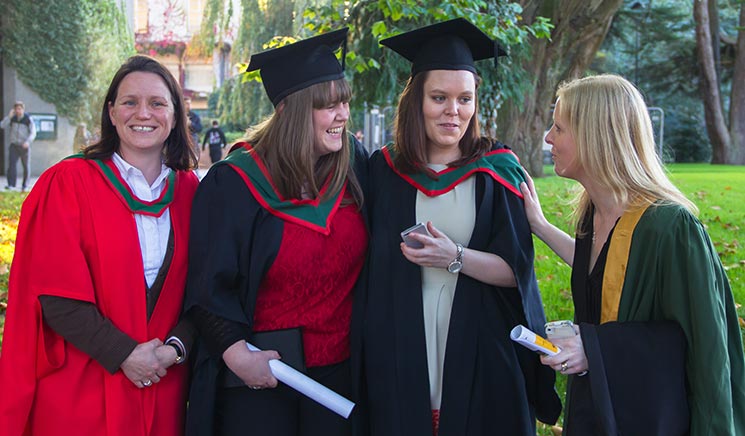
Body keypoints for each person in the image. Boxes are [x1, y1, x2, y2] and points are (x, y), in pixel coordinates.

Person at [355, 18, 560, 436]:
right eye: (439, 97)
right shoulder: (384, 169)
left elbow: (516, 272)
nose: (454, 111)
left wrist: (456, 258)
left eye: (465, 99)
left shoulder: (497, 170)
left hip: (478, 342)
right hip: (398, 343)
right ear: (416, 101)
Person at [520, 74, 745, 435]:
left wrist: (594, 349)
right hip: (598, 405)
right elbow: (601, 271)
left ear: (595, 136)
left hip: (651, 418)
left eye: (559, 128)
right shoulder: (593, 214)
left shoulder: (669, 227)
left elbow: (703, 346)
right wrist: (541, 226)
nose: (548, 138)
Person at [0, 55, 200, 436]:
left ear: (175, 115)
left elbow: (203, 292)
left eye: (158, 103)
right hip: (84, 389)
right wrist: (124, 354)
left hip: (162, 389)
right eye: (129, 102)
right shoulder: (68, 183)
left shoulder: (191, 192)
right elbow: (54, 293)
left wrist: (173, 349)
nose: (143, 112)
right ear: (111, 112)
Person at [184, 28, 368, 436]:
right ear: (291, 110)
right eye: (328, 106)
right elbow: (206, 287)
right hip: (261, 373)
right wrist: (237, 356)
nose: (342, 116)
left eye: (344, 103)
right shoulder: (235, 183)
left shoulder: (354, 165)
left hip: (340, 371)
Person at [1, 101, 36, 191]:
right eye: (16, 109)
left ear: (23, 109)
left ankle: (25, 185)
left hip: (24, 145)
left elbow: (33, 133)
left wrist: (28, 142)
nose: (18, 111)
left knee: (25, 166)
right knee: (11, 165)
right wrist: (9, 116)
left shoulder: (28, 119)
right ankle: (11, 185)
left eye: (19, 109)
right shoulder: (12, 118)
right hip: (14, 145)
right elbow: (2, 125)